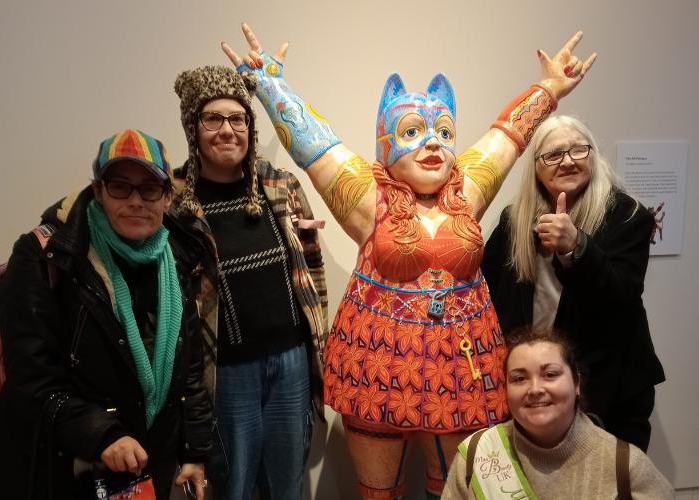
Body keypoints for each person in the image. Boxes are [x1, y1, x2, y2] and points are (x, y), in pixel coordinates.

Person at [222, 23, 595, 499]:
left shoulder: (468, 189)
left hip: (460, 372)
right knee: (378, 493)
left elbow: (509, 136)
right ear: (385, 141)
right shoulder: (365, 193)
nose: (432, 144)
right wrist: (269, 85)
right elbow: (312, 140)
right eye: (413, 132)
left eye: (442, 131)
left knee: (456, 489)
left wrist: (551, 88)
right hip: (375, 368)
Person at [0, 129, 212, 499]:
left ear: (166, 196)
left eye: (149, 188)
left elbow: (190, 368)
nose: (135, 201)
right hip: (74, 468)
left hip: (151, 465)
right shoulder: (46, 255)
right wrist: (102, 434)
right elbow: (31, 377)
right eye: (120, 186)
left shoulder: (177, 254)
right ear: (97, 190)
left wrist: (194, 452)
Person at [171, 64, 329, 500]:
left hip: (291, 365)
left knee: (287, 484)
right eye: (213, 119)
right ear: (193, 128)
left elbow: (312, 274)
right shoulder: (175, 200)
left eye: (237, 118)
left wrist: (320, 355)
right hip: (225, 373)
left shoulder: (279, 184)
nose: (227, 130)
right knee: (232, 485)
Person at [480, 115, 665, 451]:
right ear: (535, 168)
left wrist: (576, 247)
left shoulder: (628, 215)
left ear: (593, 155)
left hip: (609, 388)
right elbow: (485, 292)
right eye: (553, 154)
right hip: (536, 388)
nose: (567, 161)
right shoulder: (515, 220)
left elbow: (621, 295)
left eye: (578, 150)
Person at [441, 327, 673, 499]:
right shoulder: (476, 454)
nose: (535, 389)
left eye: (550, 375)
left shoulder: (625, 466)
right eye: (519, 378)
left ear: (576, 383)